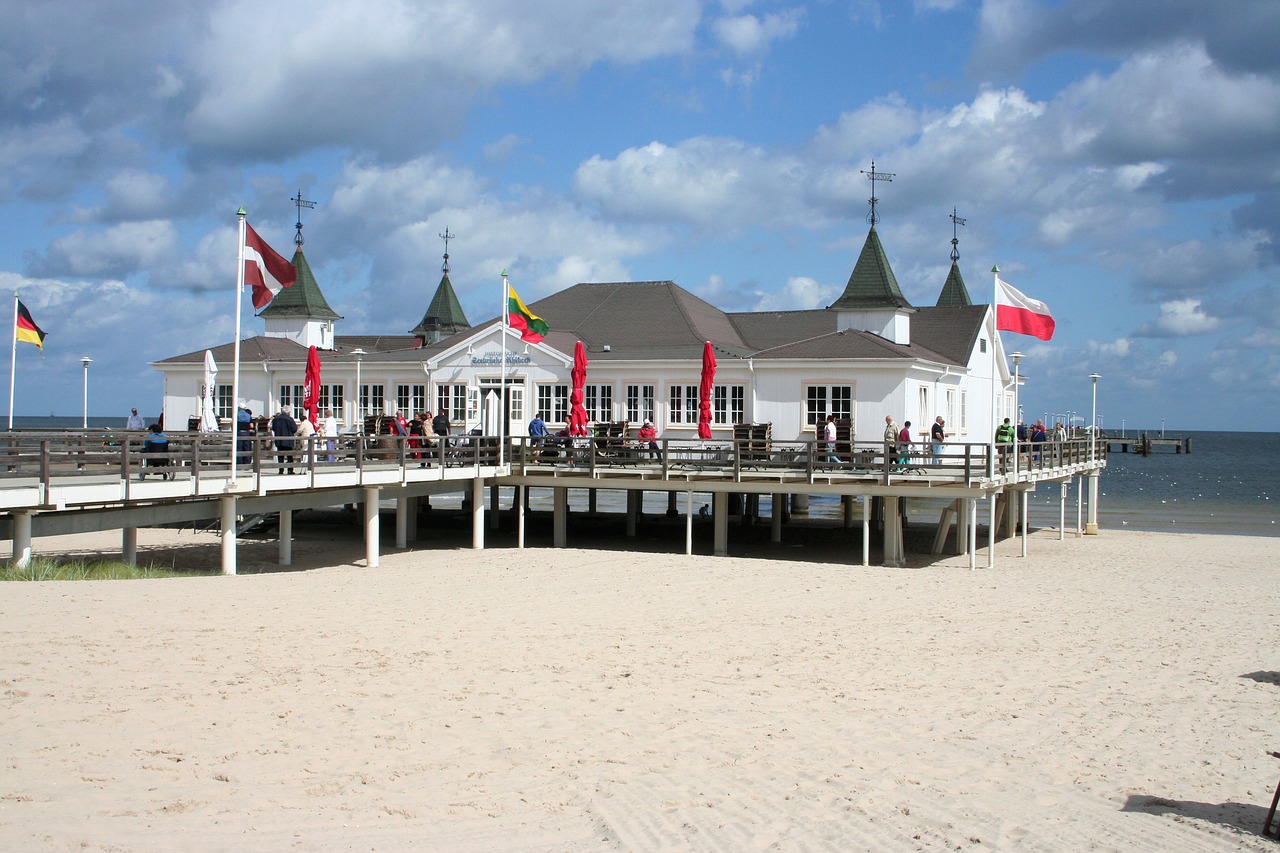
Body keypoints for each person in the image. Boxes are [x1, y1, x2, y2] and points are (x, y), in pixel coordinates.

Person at [270, 405, 298, 474]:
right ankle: (290, 470)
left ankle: (281, 470)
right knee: (289, 456)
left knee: (280, 456)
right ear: (288, 412)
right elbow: (294, 429)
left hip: (279, 439)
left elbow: (273, 428)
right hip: (288, 440)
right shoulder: (290, 419)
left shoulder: (276, 419)